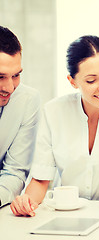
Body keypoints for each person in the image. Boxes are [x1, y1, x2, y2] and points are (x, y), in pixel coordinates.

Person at [10, 35, 99, 219]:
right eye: (91, 81)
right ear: (72, 81)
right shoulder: (53, 112)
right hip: (64, 215)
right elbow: (41, 179)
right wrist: (26, 202)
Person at [0, 26, 40, 207]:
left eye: (16, 75)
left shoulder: (27, 100)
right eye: (0, 77)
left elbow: (14, 172)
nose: (9, 88)